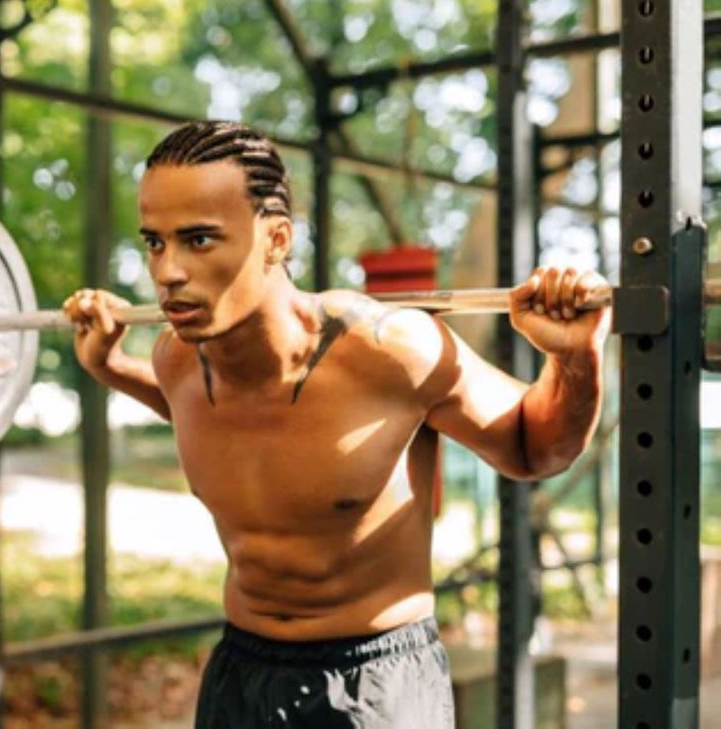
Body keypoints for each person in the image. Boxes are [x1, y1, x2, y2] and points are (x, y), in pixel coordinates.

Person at [63, 120, 609, 728]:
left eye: (198, 240)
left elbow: (536, 448)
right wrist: (109, 365)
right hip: (241, 671)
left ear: (275, 240)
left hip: (372, 680)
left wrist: (573, 357)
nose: (167, 272)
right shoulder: (177, 358)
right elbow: (225, 425)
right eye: (155, 243)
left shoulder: (387, 348)